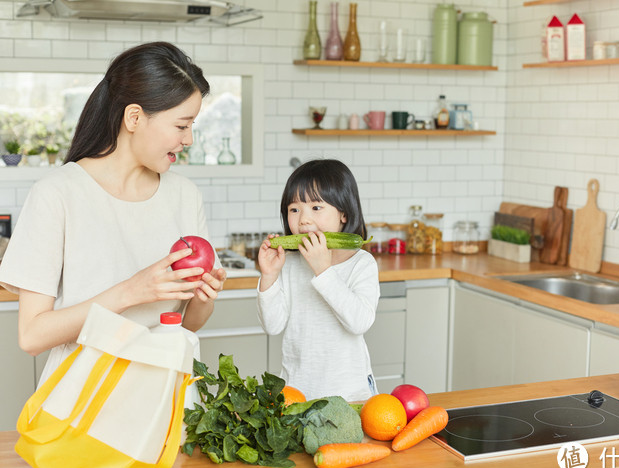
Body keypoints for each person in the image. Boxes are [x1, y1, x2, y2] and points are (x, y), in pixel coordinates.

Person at [0, 41, 226, 386]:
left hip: (162, 398)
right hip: (81, 406)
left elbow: (187, 325)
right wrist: (131, 291)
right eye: (182, 126)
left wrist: (203, 299)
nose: (189, 139)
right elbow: (32, 335)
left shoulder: (184, 195)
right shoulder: (57, 193)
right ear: (134, 117)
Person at [257, 159, 380, 402]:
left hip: (350, 395)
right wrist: (269, 276)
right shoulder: (289, 264)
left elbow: (359, 322)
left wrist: (323, 270)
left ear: (343, 214)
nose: (303, 219)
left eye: (316, 208)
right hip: (297, 394)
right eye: (294, 209)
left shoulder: (361, 264)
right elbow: (272, 326)